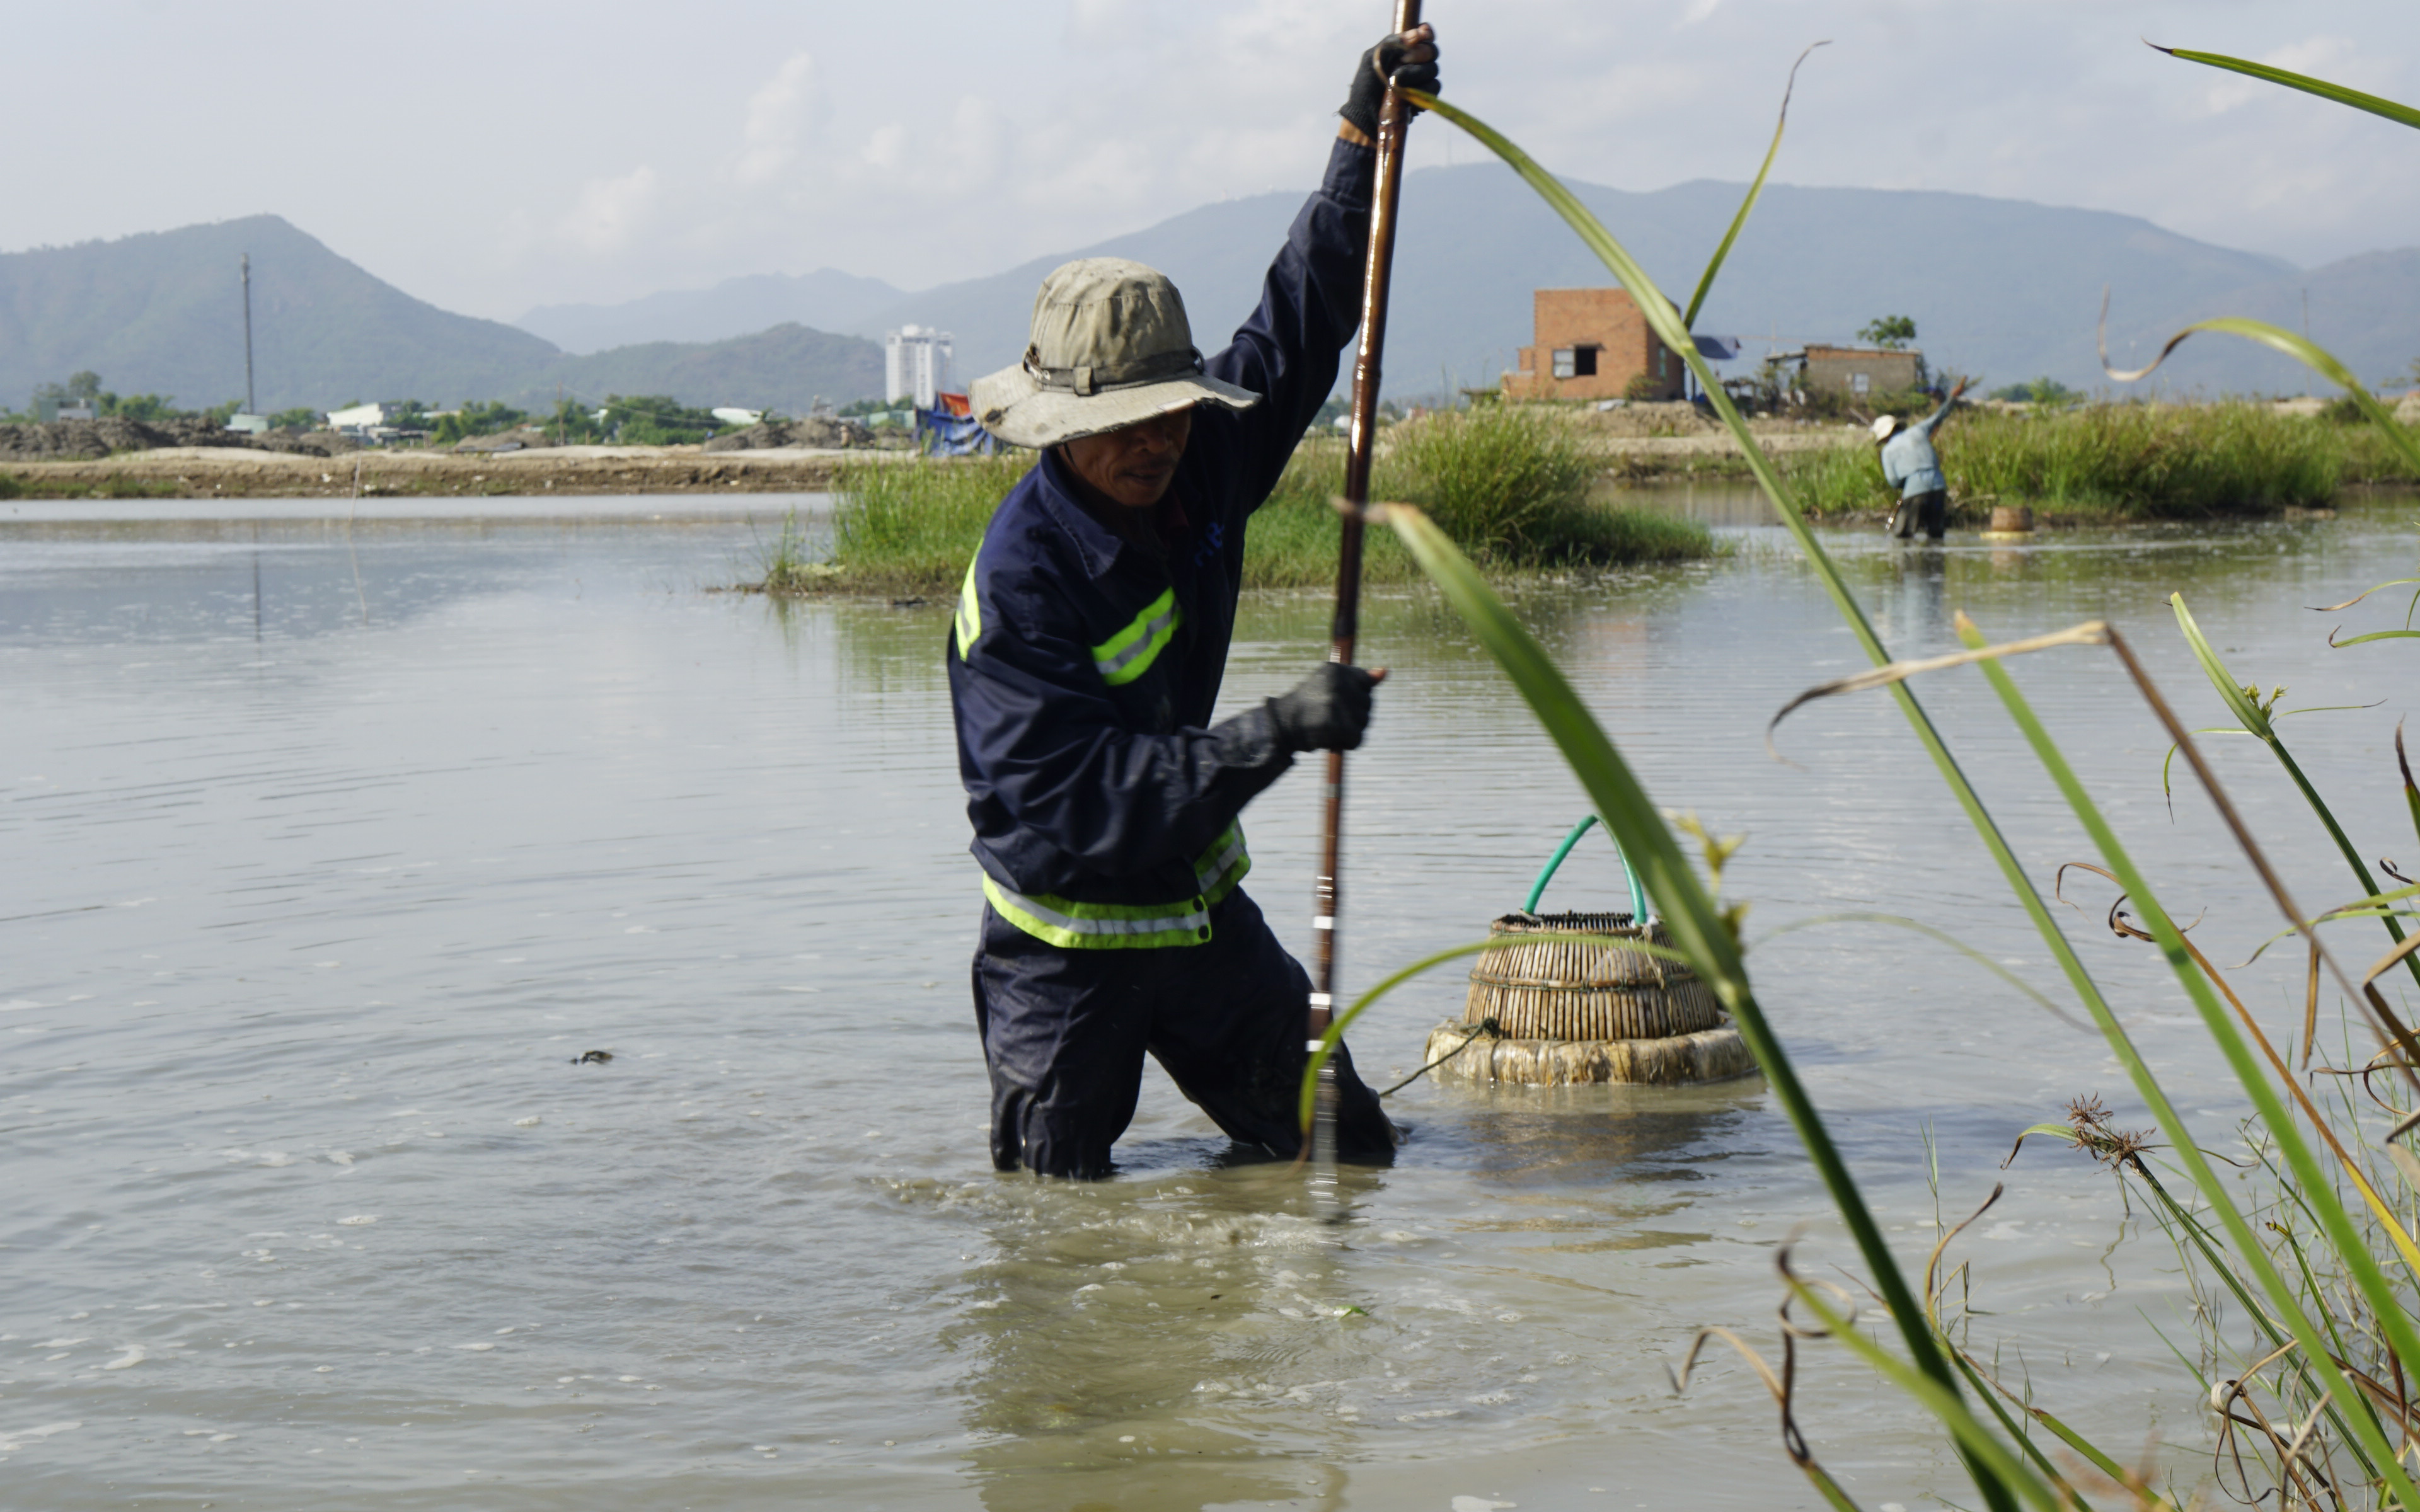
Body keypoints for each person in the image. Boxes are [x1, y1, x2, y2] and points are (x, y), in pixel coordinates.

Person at [945, 26, 1441, 1179]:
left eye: (1171, 412)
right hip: (1062, 950)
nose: (1155, 444)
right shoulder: (1021, 586)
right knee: (1055, 1226)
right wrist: (1280, 729)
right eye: (1123, 427)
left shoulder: (1203, 456)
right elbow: (1092, 808)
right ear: (1064, 430)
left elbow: (1309, 310)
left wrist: (1366, 130)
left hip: (1202, 924)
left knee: (1348, 1159)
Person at [1872, 376, 1970, 540]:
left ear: (1884, 438)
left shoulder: (1888, 451)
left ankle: (1910, 565)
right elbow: (1941, 415)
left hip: (1915, 490)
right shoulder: (1918, 431)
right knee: (1936, 535)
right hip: (1938, 486)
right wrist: (1952, 398)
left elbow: (1894, 482)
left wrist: (1907, 482)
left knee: (1904, 535)